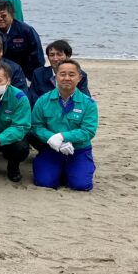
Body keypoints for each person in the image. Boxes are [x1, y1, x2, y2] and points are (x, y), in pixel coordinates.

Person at [31, 59, 98, 191]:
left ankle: (74, 169)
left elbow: (88, 131)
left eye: (72, 74)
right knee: (44, 182)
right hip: (52, 148)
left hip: (78, 150)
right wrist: (52, 139)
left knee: (81, 185)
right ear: (56, 76)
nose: (67, 78)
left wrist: (63, 136)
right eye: (62, 74)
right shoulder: (43, 100)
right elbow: (36, 126)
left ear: (79, 78)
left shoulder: (88, 103)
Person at [0, 0, 44, 80]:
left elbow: (37, 57)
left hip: (23, 75)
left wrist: (34, 78)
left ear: (12, 15)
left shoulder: (26, 31)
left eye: (3, 16)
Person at [29, 40, 91, 105]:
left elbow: (85, 100)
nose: (55, 59)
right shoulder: (39, 74)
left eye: (59, 54)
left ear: (68, 56)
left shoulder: (79, 75)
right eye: (52, 55)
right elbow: (33, 98)